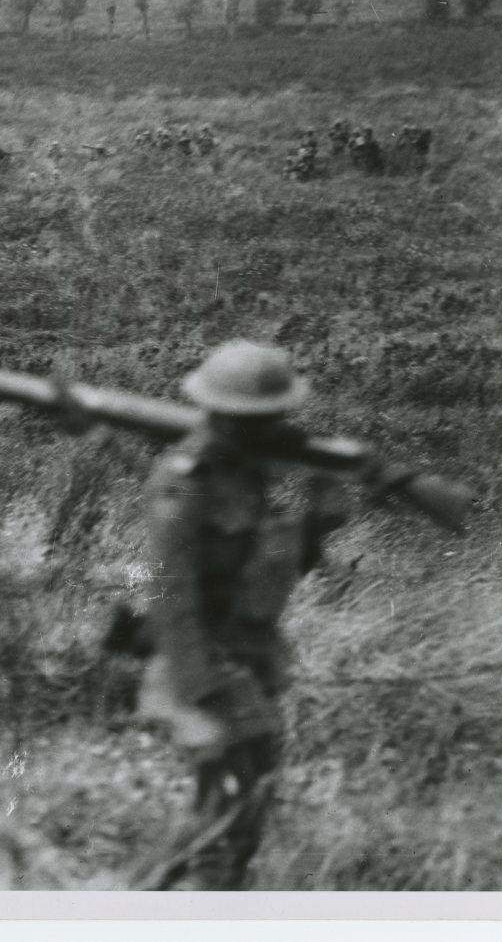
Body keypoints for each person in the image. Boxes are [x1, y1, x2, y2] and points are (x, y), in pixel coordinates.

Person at [133, 341, 348, 890]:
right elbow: (167, 592)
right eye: (258, 418)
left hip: (249, 660)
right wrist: (202, 691)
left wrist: (319, 522)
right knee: (226, 814)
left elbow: (264, 575)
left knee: (245, 807)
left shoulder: (250, 477)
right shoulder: (186, 481)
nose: (273, 428)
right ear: (223, 417)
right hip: (200, 668)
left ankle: (150, 897)